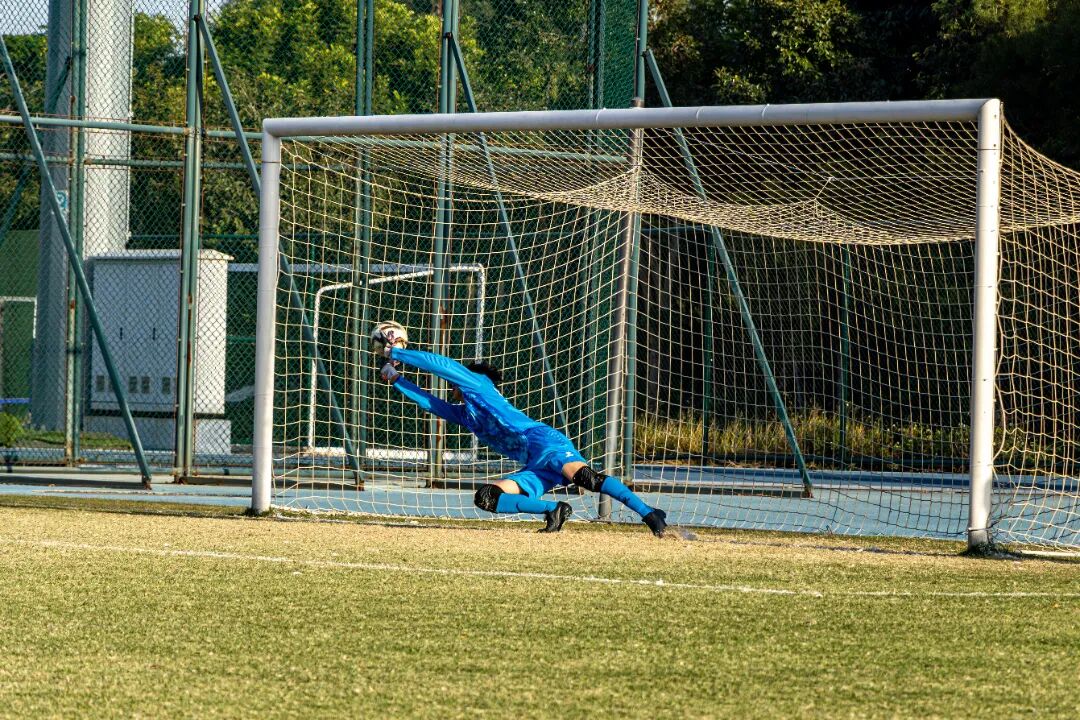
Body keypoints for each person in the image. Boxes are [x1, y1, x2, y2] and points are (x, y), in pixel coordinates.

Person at [374, 329, 667, 536]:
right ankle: (553, 510)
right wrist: (397, 378)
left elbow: (443, 365)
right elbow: (432, 404)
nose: (451, 387)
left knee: (587, 479)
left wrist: (396, 352)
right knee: (486, 497)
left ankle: (649, 514)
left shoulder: (478, 384)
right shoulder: (468, 414)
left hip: (546, 443)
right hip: (534, 464)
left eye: (455, 383)